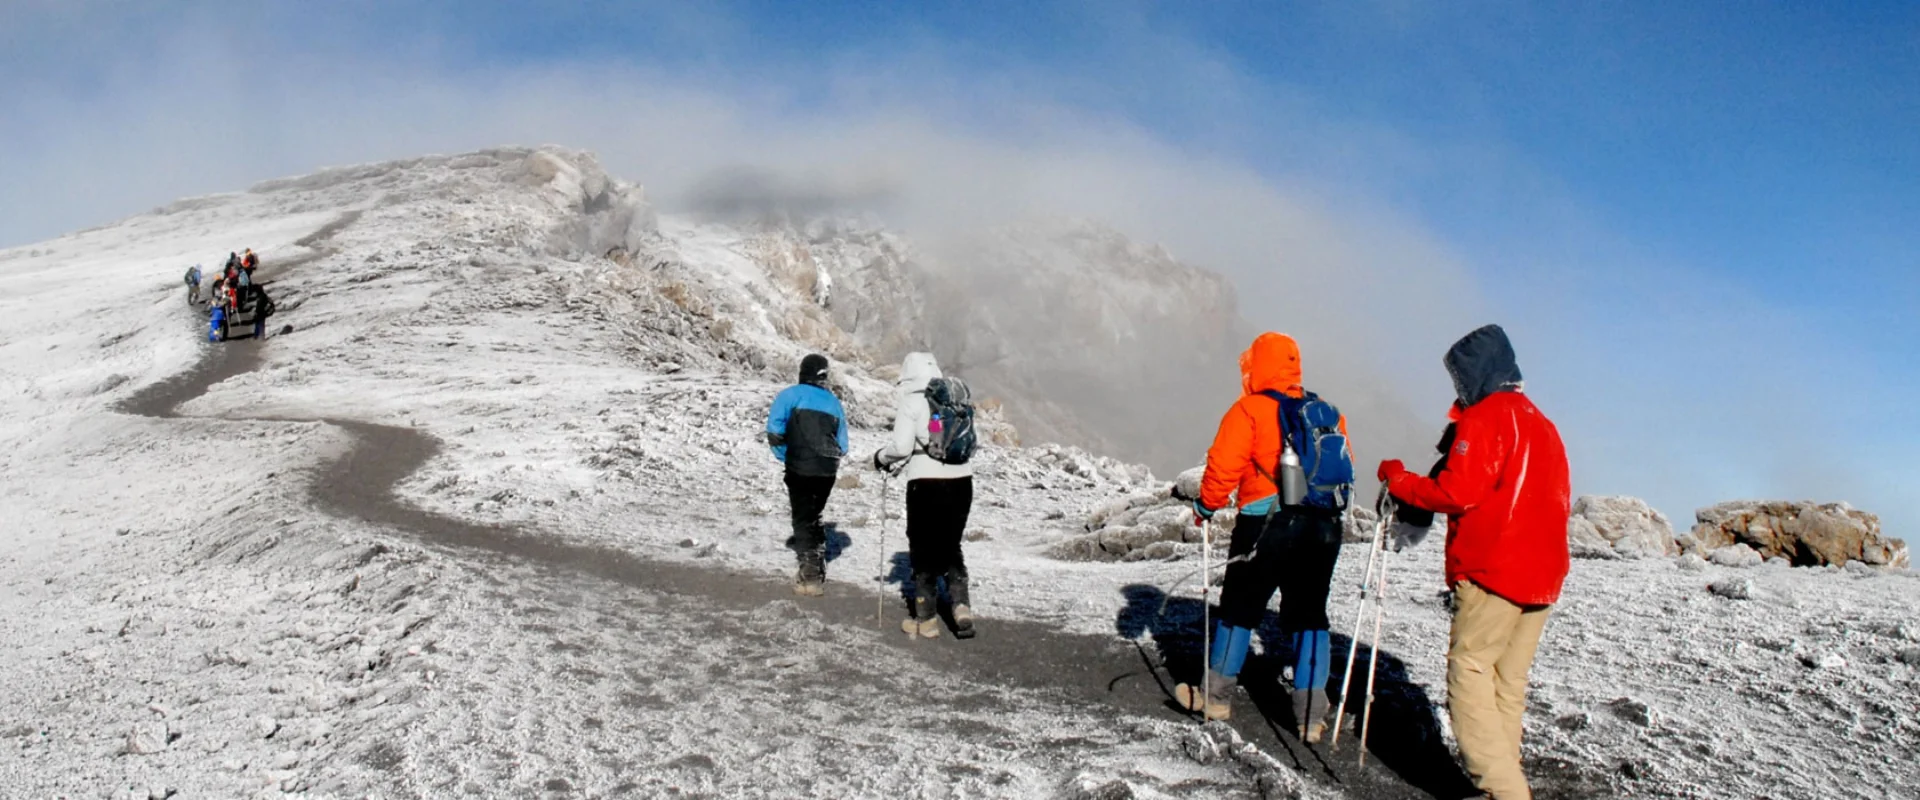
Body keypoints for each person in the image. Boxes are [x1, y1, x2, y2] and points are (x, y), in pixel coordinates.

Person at [1377, 324, 1570, 800]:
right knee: (1508, 681)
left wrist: (1398, 480)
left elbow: (1457, 492)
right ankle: (1505, 780)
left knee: (1470, 671)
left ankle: (1505, 792)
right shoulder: (1543, 424)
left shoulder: (1485, 419)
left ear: (1475, 374)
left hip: (1493, 571)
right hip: (1543, 575)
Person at [1174, 333, 1352, 731]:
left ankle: (1214, 699)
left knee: (1239, 607)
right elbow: (1344, 464)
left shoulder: (1251, 409)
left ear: (1257, 364)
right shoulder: (1326, 412)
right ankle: (1311, 716)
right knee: (1310, 615)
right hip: (1324, 527)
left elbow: (1224, 465)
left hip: (1266, 523)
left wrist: (1206, 506)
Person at [873, 352, 975, 639]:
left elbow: (902, 447)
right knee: (950, 543)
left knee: (922, 546)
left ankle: (926, 619)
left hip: (925, 483)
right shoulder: (956, 402)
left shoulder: (912, 402)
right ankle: (961, 605)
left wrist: (880, 458)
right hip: (962, 481)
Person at [765, 353, 850, 596]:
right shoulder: (834, 402)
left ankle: (811, 575)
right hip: (827, 469)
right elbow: (843, 445)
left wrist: (786, 455)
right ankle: (817, 560)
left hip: (800, 465)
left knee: (803, 517)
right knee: (814, 513)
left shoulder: (789, 395)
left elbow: (774, 430)